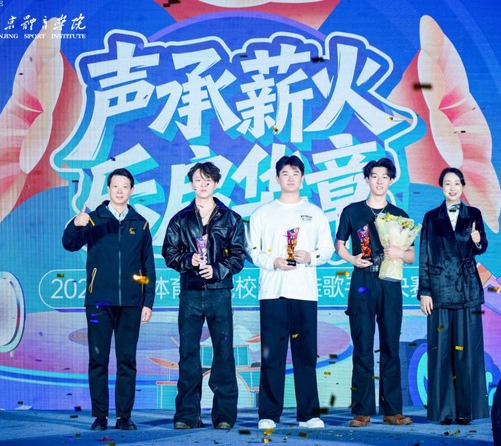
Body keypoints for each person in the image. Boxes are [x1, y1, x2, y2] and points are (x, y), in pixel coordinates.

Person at [62, 168, 156, 431]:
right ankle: (100, 415)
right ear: (108, 188)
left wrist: (147, 302)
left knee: (127, 360)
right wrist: (75, 224)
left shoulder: (140, 223)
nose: (119, 191)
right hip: (98, 302)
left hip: (131, 303)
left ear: (131, 190)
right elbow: (69, 244)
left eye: (125, 186)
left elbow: (148, 267)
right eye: (115, 186)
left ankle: (124, 416)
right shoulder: (93, 220)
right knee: (98, 359)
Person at [247, 155, 334, 430]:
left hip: (304, 292)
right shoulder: (263, 213)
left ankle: (309, 414)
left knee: (305, 354)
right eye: (285, 173)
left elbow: (327, 249)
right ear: (277, 178)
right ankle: (268, 414)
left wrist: (310, 257)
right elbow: (251, 249)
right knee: (272, 355)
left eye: (295, 173)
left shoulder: (314, 213)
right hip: (272, 292)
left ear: (303, 178)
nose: (290, 178)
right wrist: (272, 261)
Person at [162, 162, 246, 430]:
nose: (203, 184)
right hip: (190, 293)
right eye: (198, 180)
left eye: (208, 180)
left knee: (224, 353)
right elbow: (169, 253)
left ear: (216, 184)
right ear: (191, 184)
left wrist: (217, 269)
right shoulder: (180, 219)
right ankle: (187, 416)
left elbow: (238, 256)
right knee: (188, 353)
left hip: (220, 293)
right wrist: (189, 260)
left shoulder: (231, 218)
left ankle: (224, 416)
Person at [335, 157, 414, 427]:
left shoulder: (400, 214)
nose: (379, 181)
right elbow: (339, 245)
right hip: (363, 280)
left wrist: (399, 253)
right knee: (363, 346)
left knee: (391, 346)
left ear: (391, 180)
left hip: (390, 282)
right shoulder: (352, 211)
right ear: (367, 179)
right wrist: (352, 259)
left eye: (384, 177)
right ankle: (362, 410)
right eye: (374, 176)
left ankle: (392, 411)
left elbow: (411, 255)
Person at [418, 167, 489, 425]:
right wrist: (424, 291)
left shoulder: (474, 214)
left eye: (456, 183)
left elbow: (481, 247)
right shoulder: (431, 217)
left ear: (462, 186)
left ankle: (465, 411)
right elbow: (424, 256)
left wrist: (477, 240)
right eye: (447, 183)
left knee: (466, 351)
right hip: (438, 291)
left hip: (467, 289)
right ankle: (443, 412)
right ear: (441, 187)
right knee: (441, 351)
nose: (452, 188)